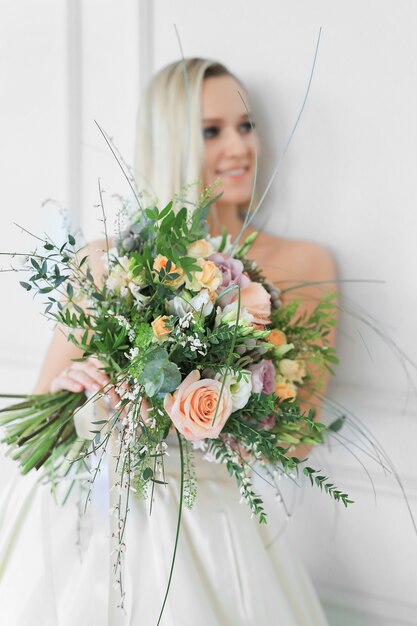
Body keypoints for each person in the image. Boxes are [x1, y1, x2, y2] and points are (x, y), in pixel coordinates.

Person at [0, 58, 336, 625]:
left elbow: (301, 437)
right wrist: (78, 391)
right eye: (212, 130)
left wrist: (224, 409)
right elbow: (42, 419)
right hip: (94, 523)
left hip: (213, 521)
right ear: (173, 138)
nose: (240, 147)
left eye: (246, 125)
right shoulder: (107, 262)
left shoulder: (304, 263)